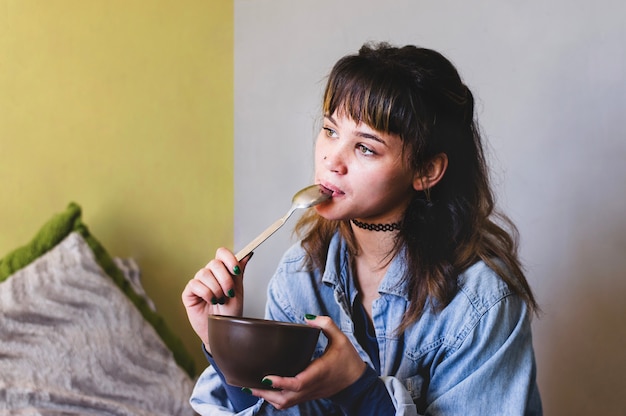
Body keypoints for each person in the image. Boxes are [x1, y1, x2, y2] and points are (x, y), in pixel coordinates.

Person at [182, 42, 542, 415]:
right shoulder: (300, 276)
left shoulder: (480, 302)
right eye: (330, 130)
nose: (331, 160)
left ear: (426, 171)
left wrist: (356, 388)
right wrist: (225, 342)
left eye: (365, 148)